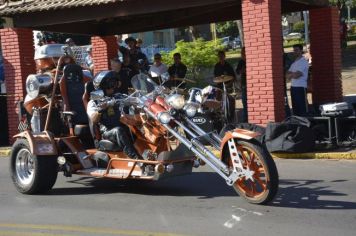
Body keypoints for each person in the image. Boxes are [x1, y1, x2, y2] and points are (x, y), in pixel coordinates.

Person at [87, 71, 140, 159]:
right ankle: (136, 158)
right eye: (110, 85)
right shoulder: (93, 102)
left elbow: (133, 100)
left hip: (124, 126)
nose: (113, 87)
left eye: (114, 84)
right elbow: (93, 119)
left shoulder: (118, 96)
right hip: (107, 131)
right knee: (118, 130)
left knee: (138, 124)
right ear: (103, 86)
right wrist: (101, 109)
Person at [286, 44, 309, 116]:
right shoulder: (294, 63)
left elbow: (296, 75)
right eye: (294, 50)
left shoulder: (303, 62)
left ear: (301, 50)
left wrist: (292, 74)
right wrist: (292, 74)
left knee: (302, 109)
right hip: (293, 87)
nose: (295, 52)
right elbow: (287, 75)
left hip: (300, 87)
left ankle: (305, 124)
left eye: (296, 50)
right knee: (295, 109)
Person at [213, 50, 236, 122]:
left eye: (222, 56)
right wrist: (218, 82)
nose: (220, 58)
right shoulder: (217, 66)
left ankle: (230, 115)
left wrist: (228, 84)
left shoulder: (228, 66)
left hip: (228, 86)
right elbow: (215, 78)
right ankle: (219, 114)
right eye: (219, 56)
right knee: (217, 99)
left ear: (224, 56)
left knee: (231, 100)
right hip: (219, 86)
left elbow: (233, 77)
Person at [235, 47, 247, 122]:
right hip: (244, 84)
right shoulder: (241, 62)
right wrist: (242, 71)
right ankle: (245, 120)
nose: (242, 55)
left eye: (243, 53)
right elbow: (237, 72)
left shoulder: (250, 60)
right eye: (242, 53)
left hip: (252, 85)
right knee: (245, 103)